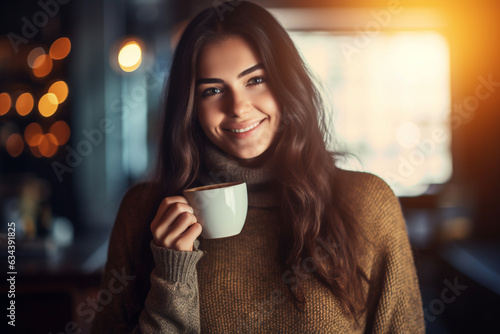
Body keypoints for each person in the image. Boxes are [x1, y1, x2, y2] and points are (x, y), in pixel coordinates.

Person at [92, 1, 425, 333]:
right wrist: (171, 274)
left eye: (255, 80)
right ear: (190, 107)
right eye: (212, 90)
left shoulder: (367, 202)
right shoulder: (143, 211)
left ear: (286, 84)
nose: (238, 107)